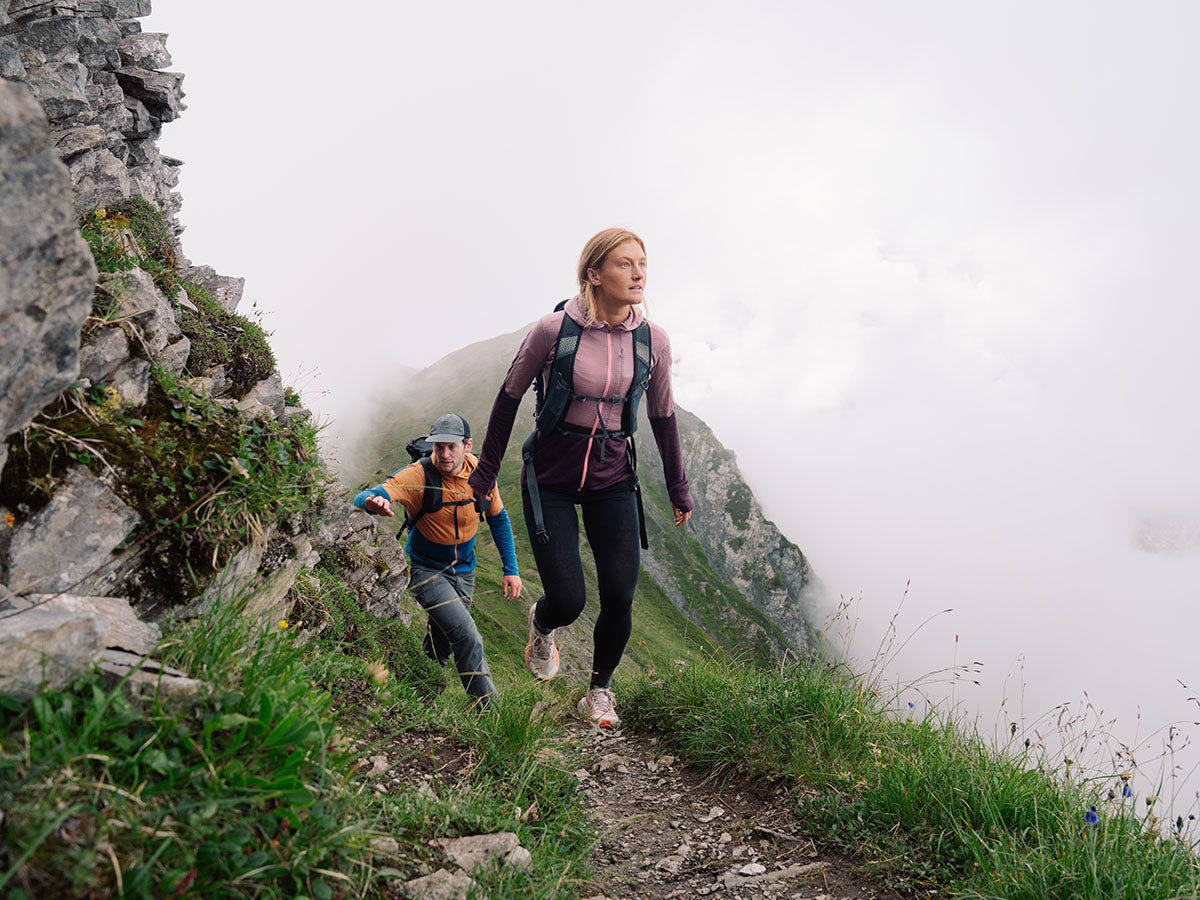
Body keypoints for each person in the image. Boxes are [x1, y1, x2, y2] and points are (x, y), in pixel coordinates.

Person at [468, 227, 693, 728]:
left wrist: (679, 486)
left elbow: (663, 414)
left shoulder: (653, 340)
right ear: (594, 274)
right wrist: (485, 473)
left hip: (613, 476)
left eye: (642, 264)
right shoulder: (553, 331)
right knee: (569, 600)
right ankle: (542, 624)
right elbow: (507, 398)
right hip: (549, 475)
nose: (639, 274)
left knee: (620, 592)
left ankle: (599, 691)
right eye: (624, 264)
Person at [353, 413, 522, 707]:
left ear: (467, 445)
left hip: (465, 569)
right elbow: (374, 493)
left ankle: (417, 695)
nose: (443, 454)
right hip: (425, 568)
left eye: (451, 447)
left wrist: (511, 569)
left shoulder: (482, 473)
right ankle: (490, 712)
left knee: (442, 640)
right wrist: (372, 501)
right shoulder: (419, 475)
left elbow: (499, 519)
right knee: (468, 636)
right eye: (438, 447)